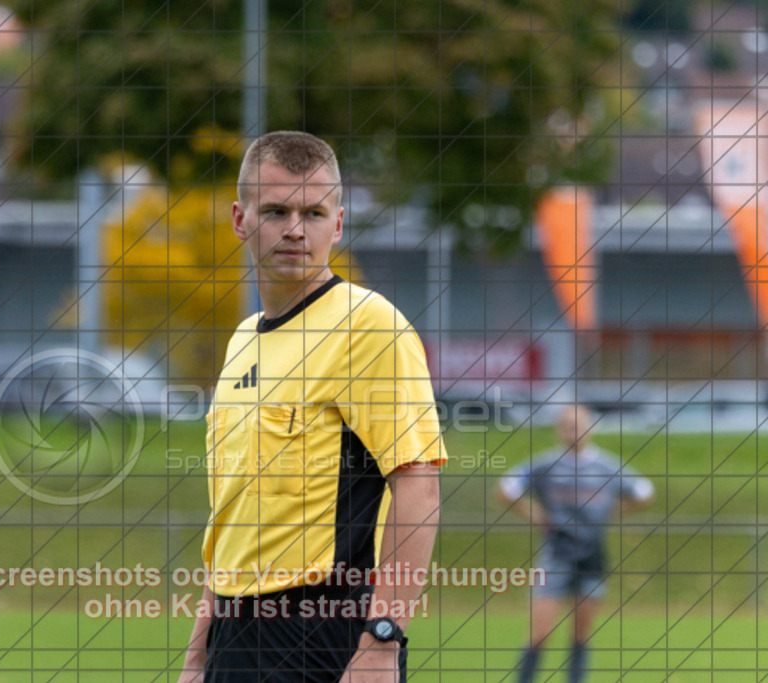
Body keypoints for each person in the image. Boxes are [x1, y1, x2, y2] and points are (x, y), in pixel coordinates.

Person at [179, 131, 448, 682]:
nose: (295, 229)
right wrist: (198, 656)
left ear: (339, 223)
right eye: (276, 210)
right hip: (234, 636)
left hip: (322, 636)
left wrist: (381, 643)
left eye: (314, 212)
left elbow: (418, 485)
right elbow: (232, 518)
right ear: (240, 219)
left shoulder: (369, 326)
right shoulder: (243, 341)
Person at [497, 405, 654, 683]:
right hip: (556, 555)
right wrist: (534, 513)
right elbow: (507, 487)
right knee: (540, 632)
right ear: (560, 430)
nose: (574, 430)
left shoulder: (606, 466)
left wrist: (612, 511)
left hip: (592, 557)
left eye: (579, 424)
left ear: (590, 428)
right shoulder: (545, 465)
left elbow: (644, 492)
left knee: (581, 634)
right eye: (568, 425)